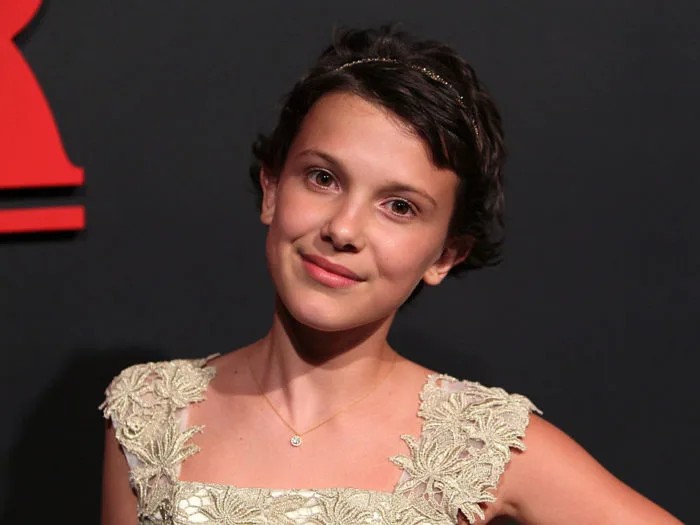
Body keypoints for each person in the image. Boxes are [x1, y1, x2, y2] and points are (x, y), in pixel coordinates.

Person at [99, 25, 682, 525]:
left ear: (445, 256)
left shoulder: (485, 441)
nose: (344, 229)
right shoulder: (150, 409)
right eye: (323, 178)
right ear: (272, 190)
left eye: (399, 207)